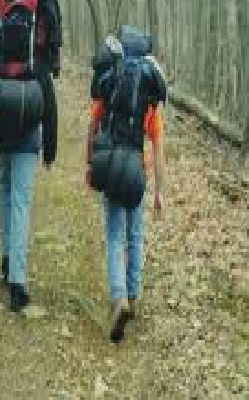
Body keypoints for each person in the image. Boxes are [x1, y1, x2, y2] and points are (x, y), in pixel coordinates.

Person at [0, 0, 60, 313]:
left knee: (5, 189)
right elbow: (49, 102)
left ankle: (8, 257)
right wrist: (50, 149)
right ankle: (18, 282)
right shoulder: (35, 55)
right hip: (27, 137)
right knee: (22, 202)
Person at [86, 30, 166, 342]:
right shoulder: (148, 99)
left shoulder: (110, 86)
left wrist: (90, 164)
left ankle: (118, 297)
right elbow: (158, 149)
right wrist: (159, 192)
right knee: (135, 236)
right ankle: (133, 295)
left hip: (108, 164)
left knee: (114, 236)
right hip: (135, 170)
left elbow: (93, 126)